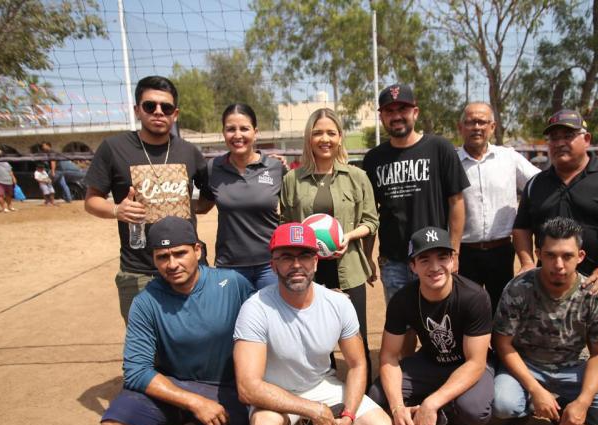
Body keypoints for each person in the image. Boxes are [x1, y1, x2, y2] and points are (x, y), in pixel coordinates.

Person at [233, 223, 394, 425]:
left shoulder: (337, 304)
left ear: (316, 262)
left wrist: (348, 415)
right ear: (273, 264)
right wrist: (313, 409)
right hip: (275, 392)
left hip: (320, 385)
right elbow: (247, 387)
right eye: (286, 256)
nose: (296, 264)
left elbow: (357, 364)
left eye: (305, 255)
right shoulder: (255, 308)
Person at [100, 216, 255, 425]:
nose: (172, 264)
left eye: (180, 253)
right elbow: (135, 371)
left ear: (197, 250)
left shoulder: (232, 283)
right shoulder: (146, 302)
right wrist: (196, 403)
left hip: (225, 387)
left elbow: (263, 329)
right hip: (175, 385)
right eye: (162, 257)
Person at [512, 109, 598, 425]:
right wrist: (526, 261)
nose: (560, 143)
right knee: (534, 341)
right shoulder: (538, 183)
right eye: (554, 137)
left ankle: (593, 410)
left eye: (568, 135)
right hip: (548, 278)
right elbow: (522, 228)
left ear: (587, 139)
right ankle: (526, 409)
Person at [492, 217, 598, 425]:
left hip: (572, 367)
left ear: (580, 256)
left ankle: (564, 417)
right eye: (550, 255)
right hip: (527, 365)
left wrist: (583, 402)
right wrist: (536, 390)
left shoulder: (594, 293)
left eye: (567, 256)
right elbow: (502, 343)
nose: (558, 264)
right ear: (538, 254)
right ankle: (523, 413)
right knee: (503, 403)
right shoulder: (518, 288)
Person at [368, 226, 494, 425]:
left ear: (453, 260)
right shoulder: (403, 300)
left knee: (474, 410)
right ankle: (429, 413)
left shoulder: (473, 296)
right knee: (377, 395)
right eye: (424, 259)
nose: (435, 267)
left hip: (468, 365)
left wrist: (432, 402)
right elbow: (389, 357)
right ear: (412, 266)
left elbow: (475, 362)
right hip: (430, 361)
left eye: (442, 257)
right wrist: (397, 409)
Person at [84, 75, 208, 323]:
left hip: (188, 268)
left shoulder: (189, 152)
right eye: (150, 106)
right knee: (144, 342)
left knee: (194, 335)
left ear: (175, 114)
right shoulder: (114, 148)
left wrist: (179, 204)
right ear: (137, 110)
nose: (159, 112)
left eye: (166, 107)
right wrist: (117, 210)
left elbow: (208, 198)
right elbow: (91, 201)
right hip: (139, 271)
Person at [280, 108, 378, 385]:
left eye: (331, 133)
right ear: (308, 138)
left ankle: (363, 395)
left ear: (340, 137)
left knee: (356, 337)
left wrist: (347, 236)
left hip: (349, 269)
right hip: (309, 271)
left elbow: (371, 221)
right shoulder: (292, 180)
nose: (325, 139)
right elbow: (286, 224)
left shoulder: (357, 177)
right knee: (316, 339)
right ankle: (326, 393)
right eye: (318, 133)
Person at [362, 83, 469, 304]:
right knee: (401, 321)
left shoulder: (440, 148)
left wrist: (454, 252)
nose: (396, 116)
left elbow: (456, 202)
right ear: (381, 117)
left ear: (415, 112)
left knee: (439, 319)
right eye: (389, 111)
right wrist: (368, 256)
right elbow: (370, 213)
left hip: (434, 257)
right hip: (393, 262)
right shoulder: (373, 159)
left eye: (403, 109)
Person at [456, 102, 540, 316]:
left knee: (502, 311)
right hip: (464, 253)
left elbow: (540, 184)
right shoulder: (450, 161)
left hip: (501, 251)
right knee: (466, 310)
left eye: (482, 122)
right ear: (460, 127)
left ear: (492, 127)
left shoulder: (509, 158)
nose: (477, 127)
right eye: (471, 122)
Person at [196, 103, 285, 289]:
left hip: (270, 264)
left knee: (274, 308)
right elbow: (202, 206)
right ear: (223, 133)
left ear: (255, 132)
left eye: (244, 128)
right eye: (231, 129)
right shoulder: (213, 168)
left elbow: (291, 212)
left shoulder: (276, 168)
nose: (237, 135)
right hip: (230, 266)